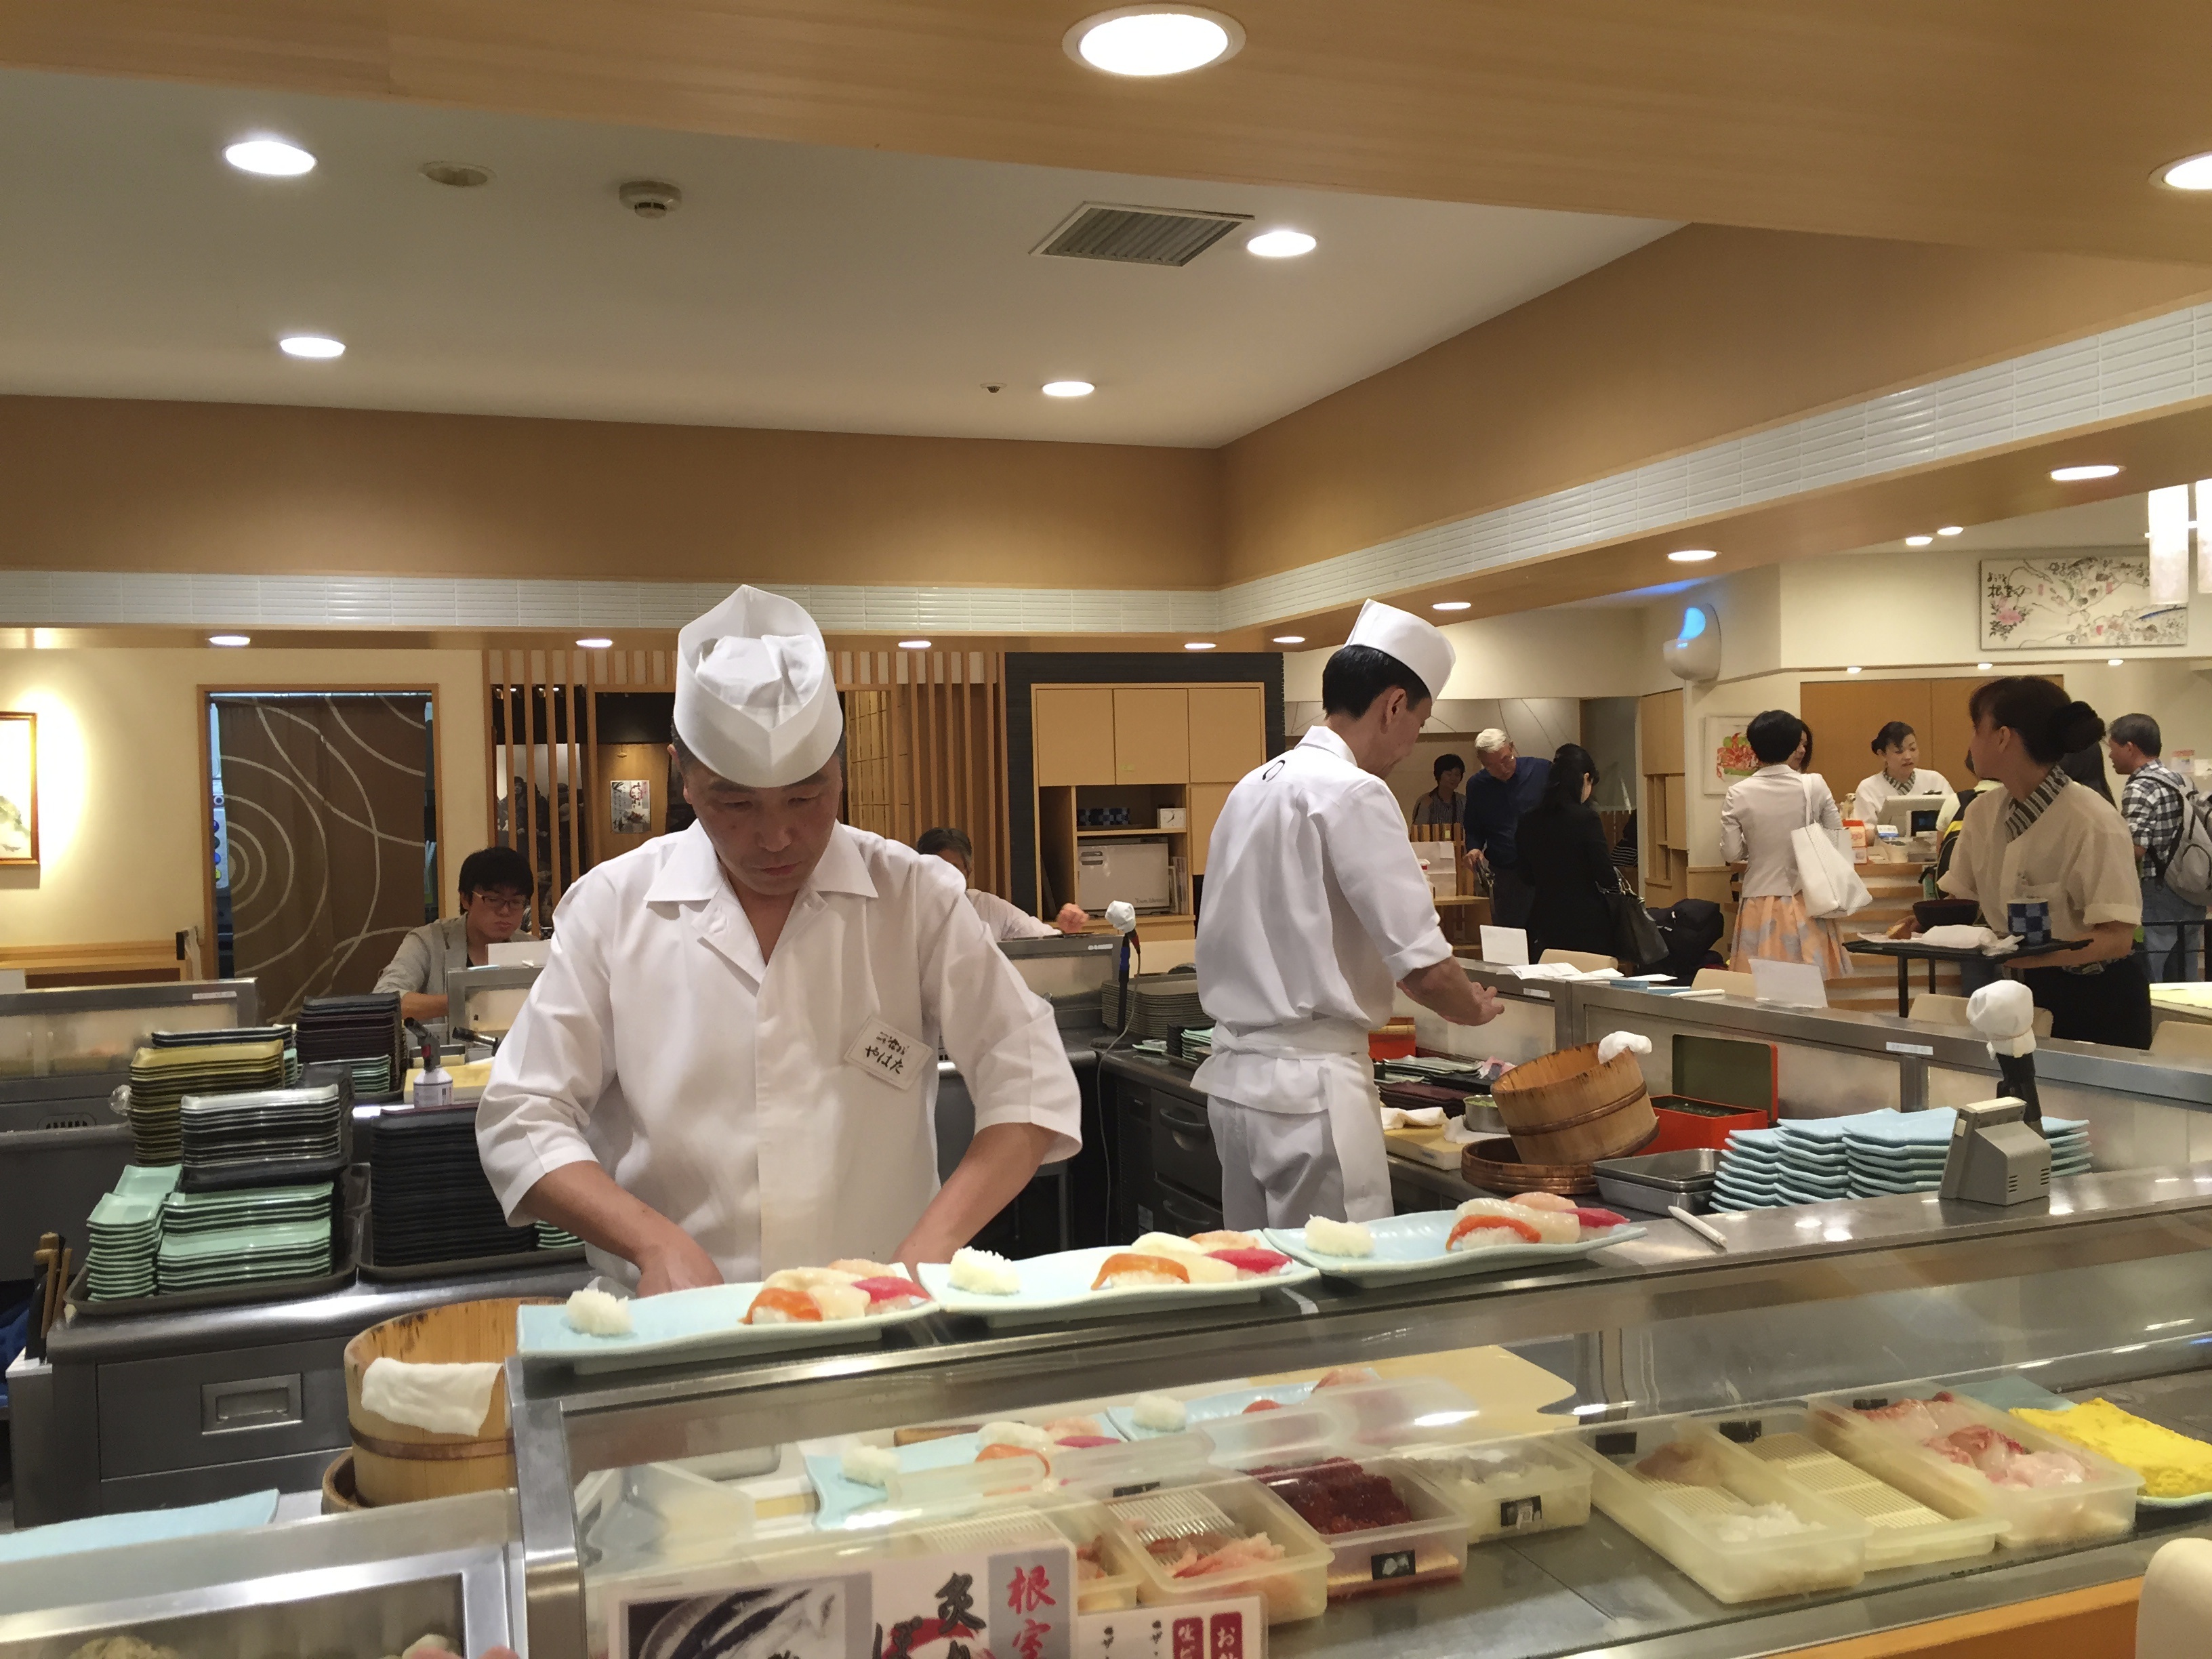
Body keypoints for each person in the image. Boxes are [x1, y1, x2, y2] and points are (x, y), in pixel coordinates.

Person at [475, 586, 1081, 1292]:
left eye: (806, 796)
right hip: (673, 1321)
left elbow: (1028, 1075)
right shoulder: (613, 907)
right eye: (735, 802)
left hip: (878, 1311)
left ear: (841, 771)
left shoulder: (915, 897)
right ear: (683, 775)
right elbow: (522, 1112)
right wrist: (651, 1243)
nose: (776, 837)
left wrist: (933, 1244)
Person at [1195, 600, 1504, 1229]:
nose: (1412, 743)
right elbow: (1423, 967)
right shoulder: (1355, 791)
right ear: (1394, 705)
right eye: (1419, 723)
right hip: (1312, 1091)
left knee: (1260, 1271)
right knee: (1339, 1274)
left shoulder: (1253, 785)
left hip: (1235, 1085)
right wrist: (1474, 1009)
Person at [1936, 678, 2147, 1046]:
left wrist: (2032, 958)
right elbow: (1962, 899)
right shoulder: (1982, 812)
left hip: (2098, 999)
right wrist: (1920, 927)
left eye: (1976, 728)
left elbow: (2117, 939)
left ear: (2003, 737)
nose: (1970, 742)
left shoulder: (2094, 820)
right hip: (2021, 990)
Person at [1721, 710, 1849, 978]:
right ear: (1794, 744)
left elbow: (1732, 852)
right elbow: (1837, 838)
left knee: (1760, 985)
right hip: (1809, 898)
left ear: (1754, 747)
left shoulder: (1738, 793)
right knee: (1809, 986)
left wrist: (1755, 843)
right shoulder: (1814, 785)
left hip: (1758, 900)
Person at [373, 845, 534, 1025]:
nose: (505, 911)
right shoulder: (428, 941)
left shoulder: (531, 947)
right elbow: (384, 999)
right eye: (493, 900)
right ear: (465, 899)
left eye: (516, 901)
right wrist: (466, 1001)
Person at [2110, 713, 2205, 983]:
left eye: (2113, 748)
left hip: (2158, 887)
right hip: (2191, 884)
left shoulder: (2140, 786)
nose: (2111, 756)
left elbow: (2136, 848)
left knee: (2152, 969)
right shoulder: (2181, 780)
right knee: (2185, 970)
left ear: (2130, 747)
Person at [1516, 744, 1620, 962]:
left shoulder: (1528, 819)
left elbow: (1525, 875)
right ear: (1586, 778)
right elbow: (1606, 876)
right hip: (1586, 923)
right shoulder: (1586, 819)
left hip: (1543, 920)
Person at [917, 826, 1087, 942]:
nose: (944, 876)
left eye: (953, 868)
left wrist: (1068, 933)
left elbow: (1046, 941)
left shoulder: (989, 907)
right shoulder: (908, 910)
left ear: (968, 870)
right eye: (936, 867)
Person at [1462, 729, 1550, 929]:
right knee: (1510, 933)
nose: (1502, 769)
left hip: (1545, 869)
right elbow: (1474, 826)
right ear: (1481, 762)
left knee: (1548, 933)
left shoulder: (1541, 771)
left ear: (1512, 747)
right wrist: (1474, 848)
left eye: (1505, 760)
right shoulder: (1477, 785)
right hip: (1506, 873)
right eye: (1491, 766)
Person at [1851, 721, 1957, 827]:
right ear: (1883, 755)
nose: (1908, 757)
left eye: (1912, 749)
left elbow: (1955, 817)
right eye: (1899, 751)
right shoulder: (1868, 788)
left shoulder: (1935, 780)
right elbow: (1864, 830)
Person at [1411, 753, 1467, 827]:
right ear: (1438, 775)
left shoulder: (1463, 801)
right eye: (1449, 774)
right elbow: (1418, 829)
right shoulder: (1426, 801)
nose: (1453, 778)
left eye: (1457, 775)